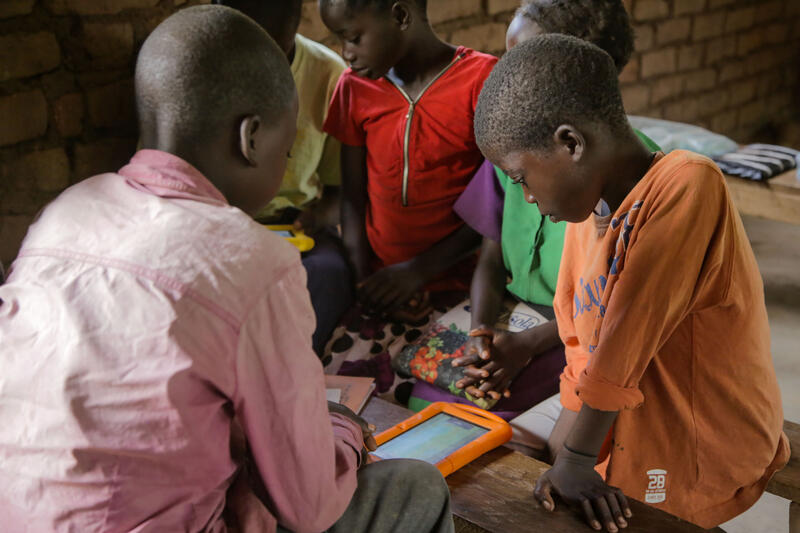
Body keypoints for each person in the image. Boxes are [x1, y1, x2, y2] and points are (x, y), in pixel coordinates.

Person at [0, 6, 453, 532]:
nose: (283, 163)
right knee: (413, 488)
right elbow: (308, 507)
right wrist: (344, 433)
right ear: (251, 138)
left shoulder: (65, 212)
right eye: (285, 152)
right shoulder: (250, 258)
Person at [473, 34, 788, 531]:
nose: (526, 197)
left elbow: (626, 331)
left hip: (702, 432)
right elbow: (580, 339)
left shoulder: (689, 184)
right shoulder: (584, 218)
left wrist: (575, 455)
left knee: (655, 517)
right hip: (629, 422)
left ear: (571, 144)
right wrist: (566, 444)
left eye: (521, 177)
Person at [412, 0, 659, 447]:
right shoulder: (515, 148)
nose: (504, 73)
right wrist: (480, 331)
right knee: (427, 391)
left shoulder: (629, 171)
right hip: (512, 312)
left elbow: (619, 310)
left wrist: (526, 346)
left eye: (520, 59)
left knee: (493, 417)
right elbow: (489, 255)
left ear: (572, 67)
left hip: (578, 333)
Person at [320, 0, 497, 315]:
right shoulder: (354, 87)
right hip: (382, 279)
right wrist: (365, 284)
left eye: (354, 37)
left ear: (400, 16)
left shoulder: (481, 80)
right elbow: (353, 197)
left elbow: (497, 202)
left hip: (466, 281)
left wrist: (418, 271)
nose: (346, 53)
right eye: (340, 40)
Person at [212, 0, 351, 356]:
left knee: (327, 274)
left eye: (275, 45)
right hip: (216, 227)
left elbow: (337, 188)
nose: (262, 60)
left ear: (295, 23)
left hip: (296, 230)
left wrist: (317, 217)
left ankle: (299, 372)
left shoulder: (328, 74)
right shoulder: (204, 71)